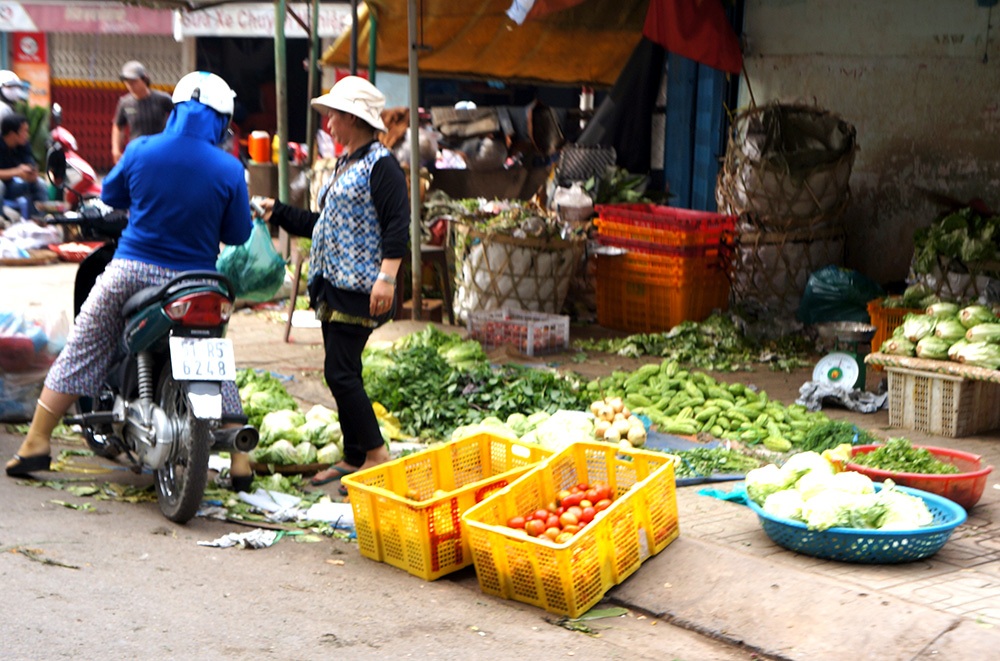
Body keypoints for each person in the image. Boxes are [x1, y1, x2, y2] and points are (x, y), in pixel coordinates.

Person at [6, 71, 255, 490]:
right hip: (198, 281)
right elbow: (238, 234)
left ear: (175, 111)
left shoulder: (141, 149)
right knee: (214, 359)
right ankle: (242, 462)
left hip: (132, 270)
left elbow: (112, 197)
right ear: (221, 122)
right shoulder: (229, 169)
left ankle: (35, 442)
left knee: (84, 346)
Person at [257, 75, 408, 491]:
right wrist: (279, 213)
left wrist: (386, 279)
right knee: (340, 370)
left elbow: (398, 225)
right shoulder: (348, 163)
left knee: (341, 373)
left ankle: (376, 455)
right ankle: (354, 454)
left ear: (353, 119)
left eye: (333, 117)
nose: (328, 125)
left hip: (361, 289)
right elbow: (322, 225)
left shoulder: (383, 166)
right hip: (332, 285)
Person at [111, 61, 174, 165]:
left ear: (144, 79)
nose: (130, 85)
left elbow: (179, 116)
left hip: (160, 151)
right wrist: (116, 149)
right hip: (137, 152)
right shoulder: (125, 103)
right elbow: (118, 126)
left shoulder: (163, 99)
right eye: (127, 82)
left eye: (134, 81)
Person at [0, 113, 49, 217]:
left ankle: (39, 219)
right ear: (13, 134)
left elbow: (30, 163)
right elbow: (18, 171)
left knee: (40, 183)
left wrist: (31, 173)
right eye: (24, 131)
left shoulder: (24, 145)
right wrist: (17, 172)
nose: (27, 134)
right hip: (2, 187)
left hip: (12, 186)